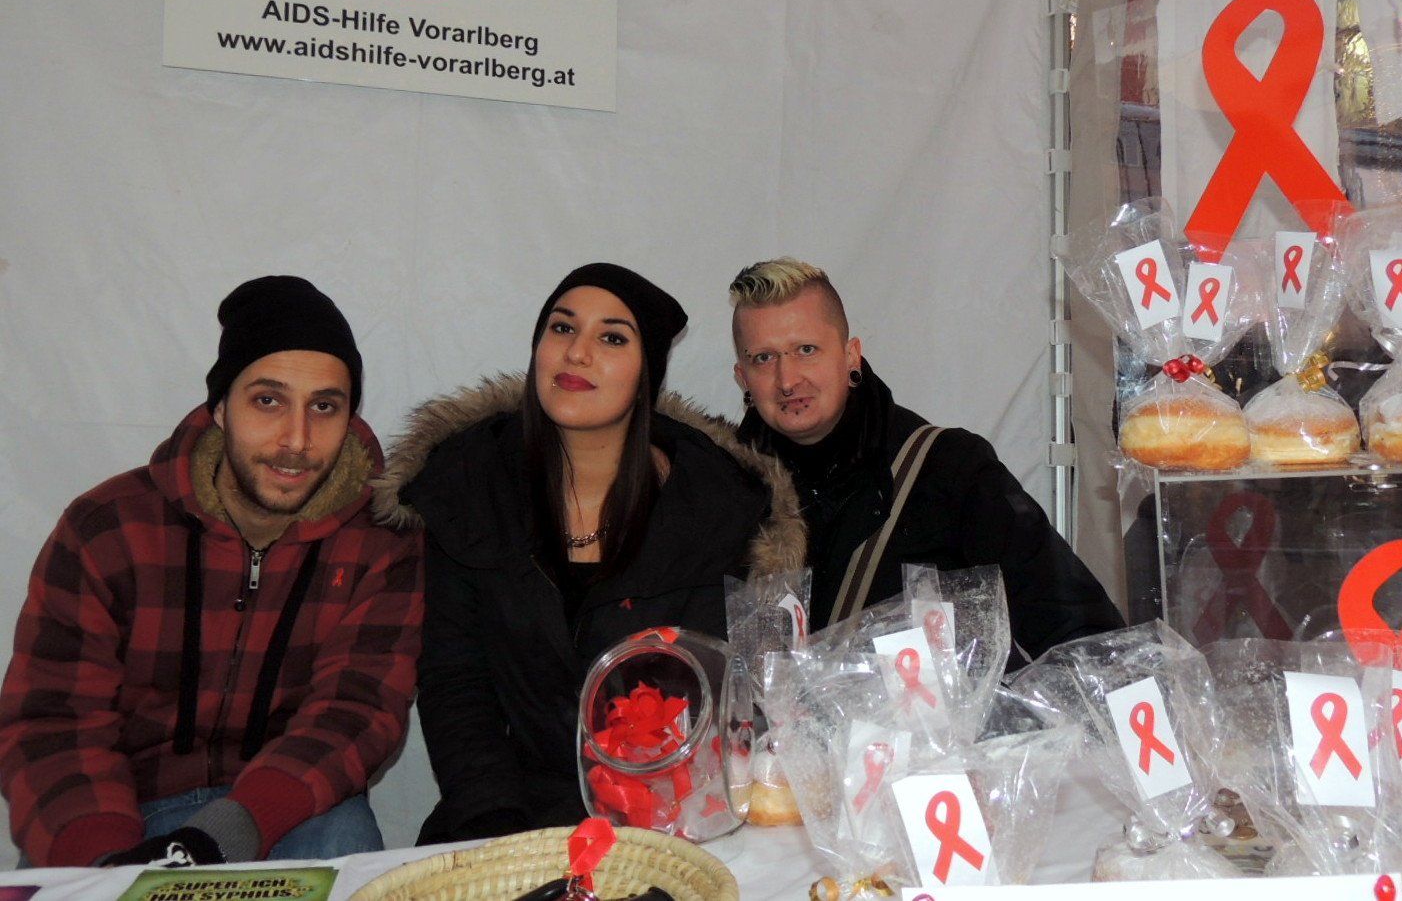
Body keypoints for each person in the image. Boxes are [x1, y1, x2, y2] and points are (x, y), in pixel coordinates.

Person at [0, 276, 424, 868]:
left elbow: (356, 713)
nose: (297, 439)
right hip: (120, 812)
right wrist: (105, 866)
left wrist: (229, 830)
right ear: (220, 408)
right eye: (268, 400)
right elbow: (54, 718)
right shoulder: (108, 527)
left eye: (324, 406)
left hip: (288, 810)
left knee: (341, 841)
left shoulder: (380, 541)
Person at [372, 263, 803, 843]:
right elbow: (456, 682)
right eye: (562, 328)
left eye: (612, 338)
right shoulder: (469, 484)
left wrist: (656, 827)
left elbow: (719, 704)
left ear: (646, 374)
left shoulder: (714, 508)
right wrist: (496, 825)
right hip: (503, 814)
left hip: (665, 822)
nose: (577, 353)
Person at [728, 257, 1124, 660]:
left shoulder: (950, 469)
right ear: (742, 377)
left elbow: (1081, 631)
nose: (788, 380)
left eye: (806, 350)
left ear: (851, 356)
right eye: (764, 358)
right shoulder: (720, 493)